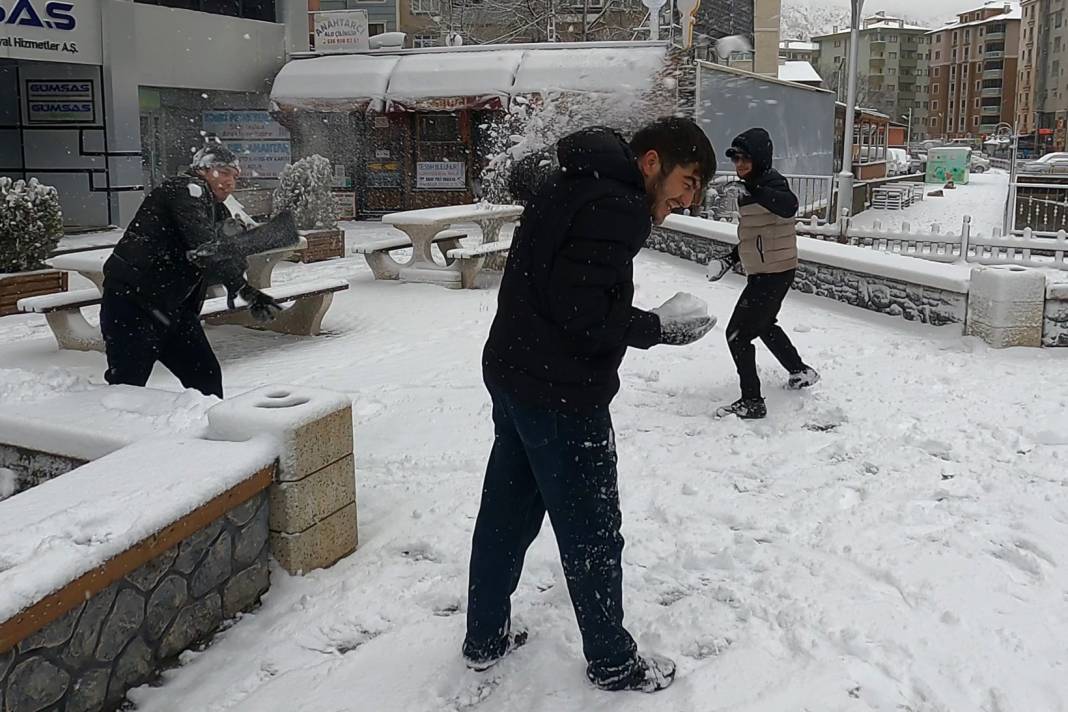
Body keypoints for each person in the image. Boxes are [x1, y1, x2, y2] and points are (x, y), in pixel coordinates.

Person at [464, 117, 717, 693]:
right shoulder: (619, 206)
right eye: (688, 179)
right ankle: (610, 660)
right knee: (592, 532)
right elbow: (581, 311)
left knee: (506, 514)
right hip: (560, 392)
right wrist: (658, 327)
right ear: (651, 162)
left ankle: (485, 637)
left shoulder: (571, 181)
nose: (688, 198)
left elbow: (558, 289)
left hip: (514, 373)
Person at [100, 143, 281, 399]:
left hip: (173, 309)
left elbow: (228, 254)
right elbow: (205, 248)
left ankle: (207, 437)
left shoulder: (215, 207)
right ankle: (109, 436)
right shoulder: (184, 190)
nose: (230, 181)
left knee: (205, 380)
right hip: (133, 305)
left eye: (234, 175)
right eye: (223, 172)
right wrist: (243, 287)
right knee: (127, 386)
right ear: (202, 170)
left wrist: (238, 251)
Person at [705, 128, 820, 419]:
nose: (740, 165)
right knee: (764, 325)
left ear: (760, 159)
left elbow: (789, 206)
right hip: (767, 270)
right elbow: (756, 234)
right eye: (736, 159)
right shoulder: (752, 185)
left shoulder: (770, 183)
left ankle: (752, 401)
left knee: (737, 335)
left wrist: (753, 190)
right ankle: (800, 371)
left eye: (746, 158)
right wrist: (729, 259)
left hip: (773, 273)